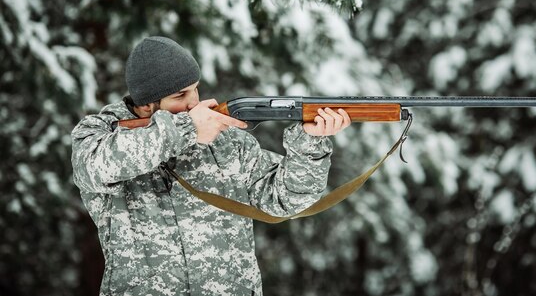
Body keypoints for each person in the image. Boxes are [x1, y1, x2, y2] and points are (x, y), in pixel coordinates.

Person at [71, 36, 351, 296]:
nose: (195, 102)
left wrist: (309, 142)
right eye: (180, 96)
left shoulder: (228, 142)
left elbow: (286, 200)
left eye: (195, 90)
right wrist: (188, 129)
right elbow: (95, 168)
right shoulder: (102, 134)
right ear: (146, 106)